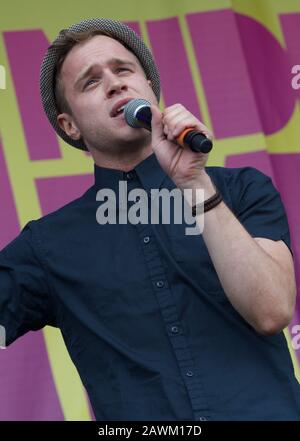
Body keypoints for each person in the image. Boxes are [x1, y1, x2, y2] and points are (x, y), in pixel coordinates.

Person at [1, 17, 300, 421]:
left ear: (150, 89)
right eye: (90, 82)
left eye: (124, 70)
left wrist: (194, 182)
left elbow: (272, 310)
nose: (114, 83)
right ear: (69, 126)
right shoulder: (48, 245)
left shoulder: (241, 190)